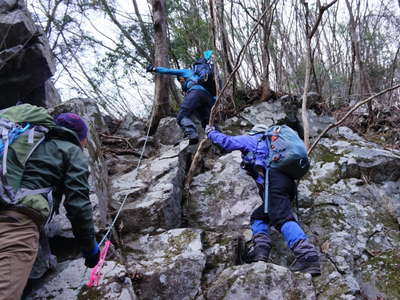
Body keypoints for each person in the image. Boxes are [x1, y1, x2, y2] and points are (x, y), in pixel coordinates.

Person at [0, 112, 100, 300]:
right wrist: (90, 248)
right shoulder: (71, 150)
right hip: (16, 224)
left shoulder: (25, 140)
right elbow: (78, 205)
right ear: (82, 138)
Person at [205, 123, 321, 276]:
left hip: (274, 180)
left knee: (282, 218)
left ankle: (308, 257)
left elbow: (228, 142)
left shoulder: (254, 139)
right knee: (258, 216)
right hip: (288, 184)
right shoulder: (274, 148)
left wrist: (211, 132)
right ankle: (260, 251)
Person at [147, 50, 216, 144]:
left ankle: (191, 134)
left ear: (181, 78)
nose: (181, 82)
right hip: (208, 98)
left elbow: (169, 71)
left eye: (180, 81)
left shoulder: (186, 72)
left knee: (181, 115)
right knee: (206, 122)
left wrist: (154, 69)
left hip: (196, 93)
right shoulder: (202, 75)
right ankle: (218, 140)